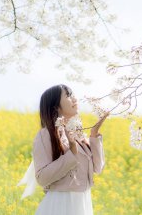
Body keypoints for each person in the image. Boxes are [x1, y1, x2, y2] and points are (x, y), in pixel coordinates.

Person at [33, 84, 108, 215]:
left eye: (73, 94)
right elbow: (42, 178)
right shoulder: (46, 134)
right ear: (56, 107)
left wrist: (94, 135)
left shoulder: (77, 134)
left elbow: (98, 168)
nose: (74, 99)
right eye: (68, 96)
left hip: (83, 203)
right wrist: (72, 153)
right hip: (61, 204)